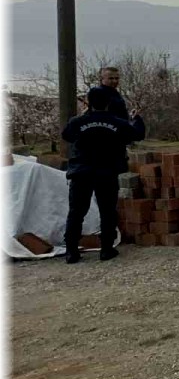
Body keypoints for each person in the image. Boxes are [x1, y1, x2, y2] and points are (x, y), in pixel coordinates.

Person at [61, 87, 146, 264]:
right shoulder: (117, 123)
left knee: (76, 212)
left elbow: (67, 135)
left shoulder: (78, 122)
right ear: (108, 103)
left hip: (81, 173)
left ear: (88, 102)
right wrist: (136, 118)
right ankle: (106, 249)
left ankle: (71, 252)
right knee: (107, 211)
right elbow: (138, 134)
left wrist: (84, 114)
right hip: (106, 173)